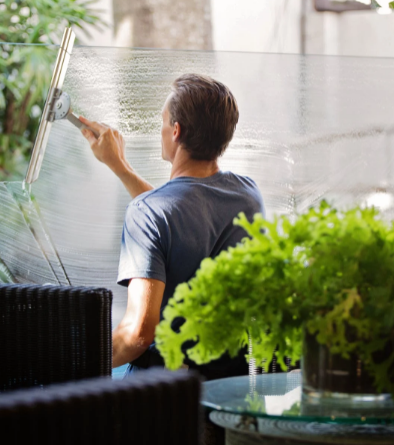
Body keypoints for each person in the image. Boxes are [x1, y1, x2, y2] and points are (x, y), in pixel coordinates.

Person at [79, 73, 264, 379]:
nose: (161, 129)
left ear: (176, 131)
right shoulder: (248, 196)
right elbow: (183, 211)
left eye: (163, 121)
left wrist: (69, 360)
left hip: (166, 392)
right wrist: (120, 166)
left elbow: (137, 335)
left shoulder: (148, 213)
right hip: (231, 384)